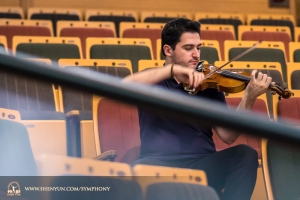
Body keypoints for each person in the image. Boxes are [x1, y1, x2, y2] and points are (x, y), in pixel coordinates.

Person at [123, 18, 272, 200]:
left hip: (202, 164)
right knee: (137, 170)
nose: (196, 54)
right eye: (188, 48)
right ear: (168, 50)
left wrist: (248, 98)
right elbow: (122, 86)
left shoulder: (208, 84)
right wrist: (172, 71)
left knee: (245, 154)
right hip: (158, 164)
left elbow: (228, 136)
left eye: (198, 48)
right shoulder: (152, 81)